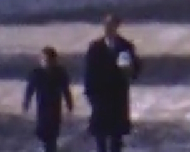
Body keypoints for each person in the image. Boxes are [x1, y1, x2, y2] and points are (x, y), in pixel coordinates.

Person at [83, 15, 141, 152]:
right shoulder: (95, 48)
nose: (109, 29)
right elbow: (89, 71)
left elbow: (135, 70)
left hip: (117, 97)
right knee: (100, 136)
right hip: (100, 96)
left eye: (112, 25)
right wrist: (90, 93)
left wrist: (131, 70)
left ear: (117, 27)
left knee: (116, 138)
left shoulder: (125, 46)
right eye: (106, 25)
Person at [23, 46, 74, 152]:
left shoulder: (60, 73)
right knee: (43, 135)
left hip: (55, 109)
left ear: (54, 60)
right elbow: (30, 89)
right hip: (42, 109)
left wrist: (69, 104)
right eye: (44, 60)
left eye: (49, 60)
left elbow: (66, 90)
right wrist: (26, 103)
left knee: (52, 137)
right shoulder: (37, 73)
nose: (46, 63)